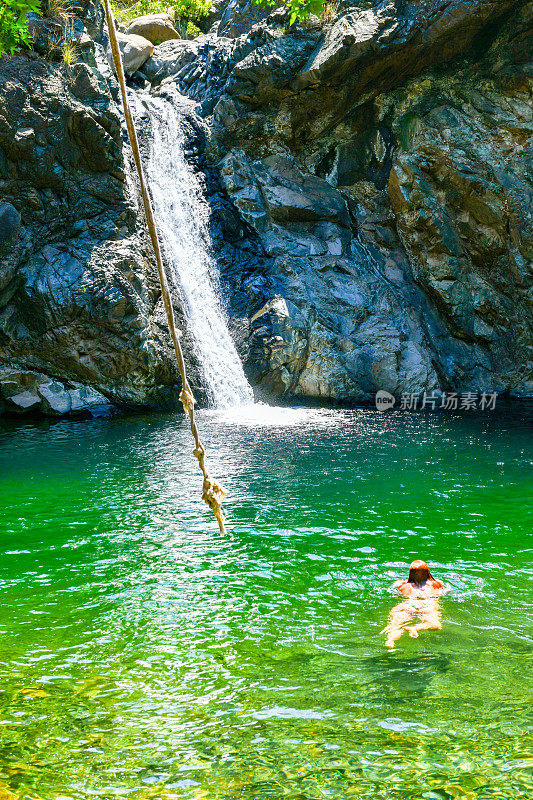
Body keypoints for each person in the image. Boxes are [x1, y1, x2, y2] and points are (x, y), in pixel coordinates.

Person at [382, 560, 446, 649]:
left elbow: (394, 592)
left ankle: (390, 641)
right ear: (427, 572)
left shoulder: (401, 584)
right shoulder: (437, 583)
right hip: (428, 605)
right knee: (436, 625)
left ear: (410, 573)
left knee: (395, 625)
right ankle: (416, 628)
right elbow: (444, 594)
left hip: (409, 605)